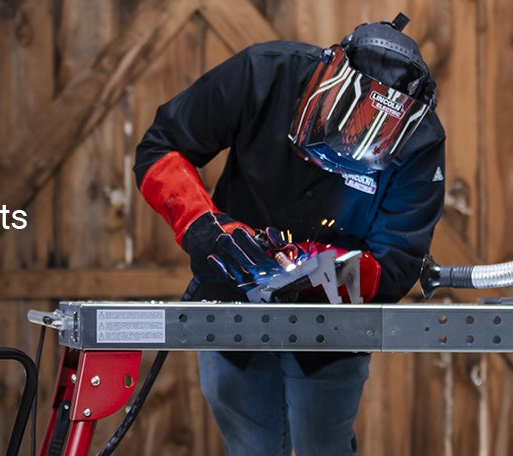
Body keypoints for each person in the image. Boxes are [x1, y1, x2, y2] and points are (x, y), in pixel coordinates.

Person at [133, 14, 446, 455]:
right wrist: (206, 229)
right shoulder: (264, 73)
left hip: (335, 320)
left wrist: (321, 272)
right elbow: (161, 147)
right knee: (250, 444)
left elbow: (398, 261)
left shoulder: (420, 140)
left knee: (324, 444)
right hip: (232, 291)